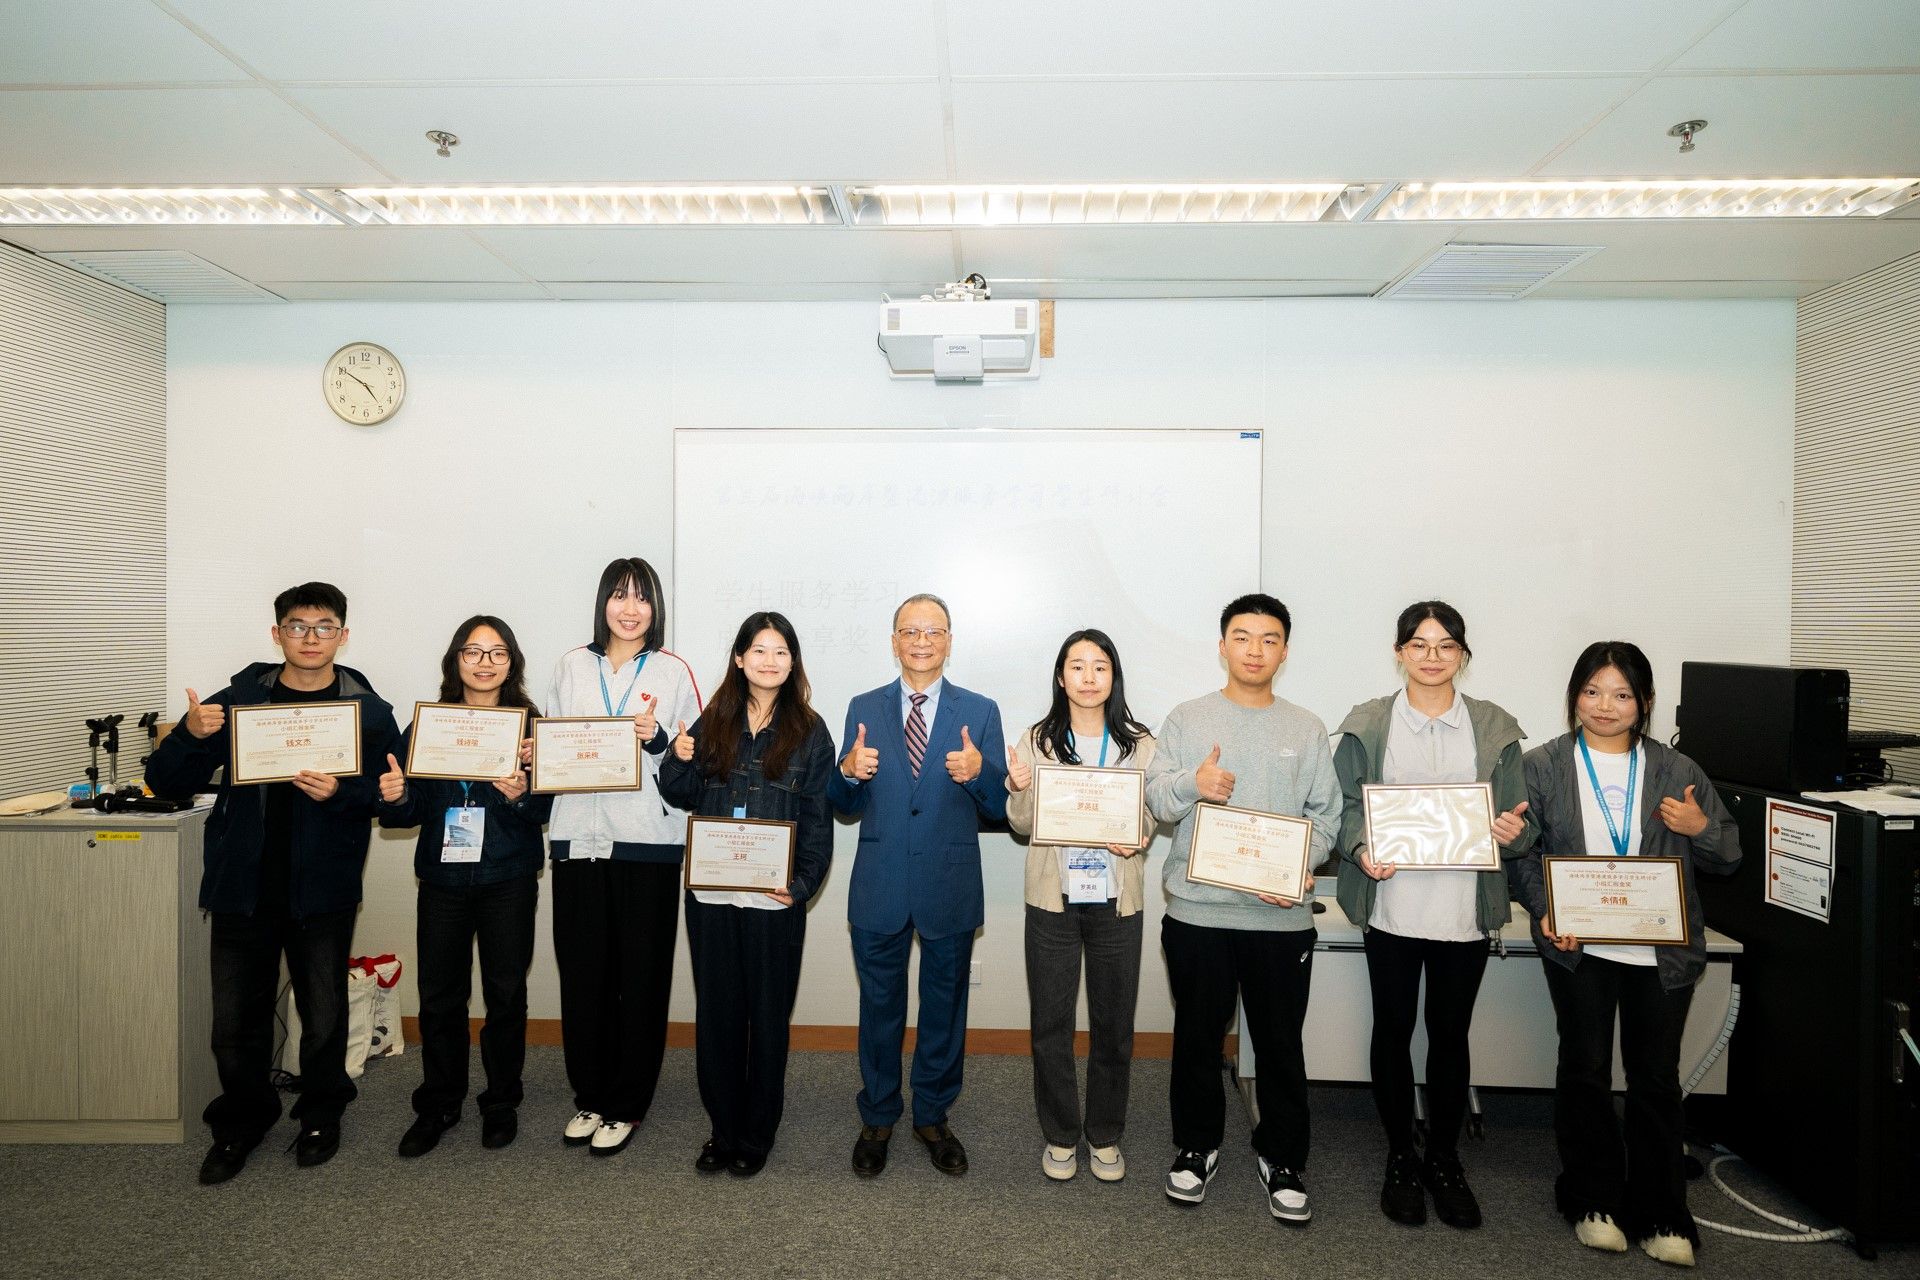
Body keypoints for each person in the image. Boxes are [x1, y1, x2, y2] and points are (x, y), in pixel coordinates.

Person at [146, 582, 400, 1185]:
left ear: (343, 635)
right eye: (296, 625)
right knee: (236, 1021)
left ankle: (321, 1114)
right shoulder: (237, 699)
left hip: (324, 889)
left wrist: (344, 792)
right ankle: (242, 1122)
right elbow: (166, 780)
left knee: (324, 1012)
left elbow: (392, 799)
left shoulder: (370, 711)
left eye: (323, 626)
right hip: (244, 886)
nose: (309, 638)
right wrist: (190, 733)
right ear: (276, 634)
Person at [1509, 641, 1741, 1268]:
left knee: (1655, 1080)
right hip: (1578, 946)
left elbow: (1729, 857)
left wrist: (1701, 830)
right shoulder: (1543, 765)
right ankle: (1592, 1198)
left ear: (1643, 704)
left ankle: (1664, 1207)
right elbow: (1521, 856)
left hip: (1661, 953)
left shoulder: (1678, 769)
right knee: (1583, 1070)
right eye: (1591, 692)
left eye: (1620, 695)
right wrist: (1545, 909)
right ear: (1573, 698)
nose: (1603, 706)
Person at [1331, 601, 1537, 1229]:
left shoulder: (1494, 727)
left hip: (1463, 913)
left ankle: (1444, 1158)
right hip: (1392, 905)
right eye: (1419, 644)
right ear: (1399, 652)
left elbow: (1522, 828)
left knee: (1450, 1035)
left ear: (1463, 656)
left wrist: (1508, 832)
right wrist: (1362, 848)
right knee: (1392, 1031)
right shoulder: (1368, 725)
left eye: (1446, 646)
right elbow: (1341, 810)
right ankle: (1400, 1155)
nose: (1431, 656)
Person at [1145, 592, 1341, 1225]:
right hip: (1200, 913)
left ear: (1284, 650)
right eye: (1243, 637)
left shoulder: (1306, 727)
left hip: (1280, 920)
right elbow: (1156, 800)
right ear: (1222, 644)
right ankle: (1196, 1147)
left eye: (1269, 639)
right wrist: (1192, 785)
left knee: (1281, 1043)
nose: (1255, 650)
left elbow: (1328, 817)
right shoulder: (1187, 717)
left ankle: (1282, 1157)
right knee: (1197, 1040)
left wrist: (1298, 867)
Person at [827, 592, 1008, 1178]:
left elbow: (1002, 807)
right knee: (879, 1007)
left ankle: (932, 1114)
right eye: (910, 631)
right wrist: (847, 773)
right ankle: (877, 1114)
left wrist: (981, 776)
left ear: (949, 640)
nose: (922, 641)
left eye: (934, 631)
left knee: (943, 1009)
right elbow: (841, 801)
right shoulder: (863, 704)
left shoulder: (979, 710)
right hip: (880, 882)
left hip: (949, 883)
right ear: (895, 640)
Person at [656, 612, 836, 1177]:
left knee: (767, 1017)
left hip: (773, 901)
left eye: (781, 651)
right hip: (712, 898)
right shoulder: (712, 721)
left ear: (792, 662)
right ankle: (723, 1129)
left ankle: (757, 1134)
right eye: (758, 650)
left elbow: (817, 819)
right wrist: (677, 756)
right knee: (718, 1017)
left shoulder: (810, 730)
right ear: (739, 658)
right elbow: (680, 793)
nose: (769, 661)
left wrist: (803, 885)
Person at [544, 557, 703, 1157]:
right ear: (603, 602)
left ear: (655, 608)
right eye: (619, 595)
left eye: (642, 598)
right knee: (584, 973)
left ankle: (628, 1103)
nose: (630, 608)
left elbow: (695, 762)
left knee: (640, 977)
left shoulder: (674, 670)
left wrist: (658, 739)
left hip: (647, 845)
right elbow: (555, 748)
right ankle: (590, 1093)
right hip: (576, 840)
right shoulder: (569, 665)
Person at [375, 616, 549, 1157]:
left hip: (508, 878)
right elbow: (408, 810)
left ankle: (500, 1100)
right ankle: (439, 1103)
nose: (485, 663)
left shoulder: (530, 727)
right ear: (455, 661)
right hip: (445, 879)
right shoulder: (429, 724)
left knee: (505, 994)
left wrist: (520, 793)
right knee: (440, 996)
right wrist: (396, 795)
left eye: (497, 653)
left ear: (512, 664)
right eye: (473, 652)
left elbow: (547, 808)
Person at [1004, 629, 1157, 1184]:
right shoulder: (1037, 739)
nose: (1088, 678)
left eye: (1100, 667)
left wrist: (1134, 834)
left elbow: (1150, 814)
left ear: (1114, 677)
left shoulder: (1141, 742)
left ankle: (1106, 1134)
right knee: (1051, 1021)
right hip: (1052, 897)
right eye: (1077, 666)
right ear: (1060, 676)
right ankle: (1061, 1133)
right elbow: (1022, 825)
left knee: (1114, 1022)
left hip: (1118, 898)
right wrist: (1019, 787)